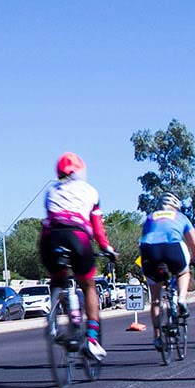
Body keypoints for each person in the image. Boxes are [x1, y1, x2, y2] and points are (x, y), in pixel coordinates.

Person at [38, 153, 117, 360]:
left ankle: (54, 317)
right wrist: (106, 247)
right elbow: (97, 227)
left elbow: (52, 216)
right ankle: (91, 339)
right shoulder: (91, 191)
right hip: (77, 235)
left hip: (50, 237)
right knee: (88, 284)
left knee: (57, 277)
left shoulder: (51, 191)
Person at [139, 194, 195, 349]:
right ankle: (181, 299)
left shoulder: (149, 217)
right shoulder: (180, 217)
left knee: (155, 300)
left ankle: (157, 337)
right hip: (172, 249)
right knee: (183, 272)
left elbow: (144, 237)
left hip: (149, 251)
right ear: (176, 207)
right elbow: (194, 244)